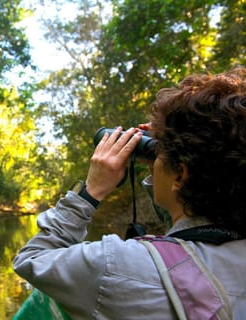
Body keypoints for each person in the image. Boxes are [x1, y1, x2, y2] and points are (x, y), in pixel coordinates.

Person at [13, 68, 246, 319]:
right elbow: (188, 232)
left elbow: (33, 259)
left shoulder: (113, 267)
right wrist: (165, 159)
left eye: (159, 156)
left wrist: (91, 191)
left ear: (180, 175)